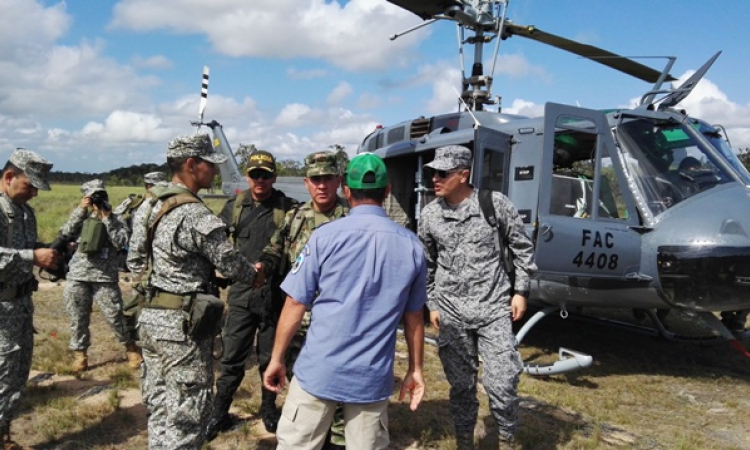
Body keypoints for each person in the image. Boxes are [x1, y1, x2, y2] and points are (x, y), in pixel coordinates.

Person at [263, 152, 427, 450]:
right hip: (372, 376)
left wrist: (276, 359)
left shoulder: (324, 237)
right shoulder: (412, 246)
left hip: (319, 370)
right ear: (387, 191)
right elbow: (414, 317)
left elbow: (295, 304)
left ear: (346, 190)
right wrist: (416, 369)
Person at [129, 134, 258, 449]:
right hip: (181, 327)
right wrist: (254, 274)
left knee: (160, 406)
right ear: (191, 165)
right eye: (209, 166)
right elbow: (230, 263)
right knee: (187, 414)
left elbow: (134, 261)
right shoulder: (194, 212)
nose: (214, 173)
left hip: (149, 320)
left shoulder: (149, 204)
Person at [418, 145, 536, 450]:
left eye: (443, 173)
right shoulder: (430, 214)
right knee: (461, 387)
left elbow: (523, 249)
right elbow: (427, 265)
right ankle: (464, 443)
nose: (435, 179)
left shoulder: (494, 204)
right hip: (451, 314)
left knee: (502, 382)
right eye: (433, 173)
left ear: (463, 174)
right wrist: (432, 304)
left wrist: (520, 291)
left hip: (493, 308)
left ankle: (507, 439)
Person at [257, 150, 349, 449]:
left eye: (328, 179)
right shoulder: (295, 218)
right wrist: (263, 267)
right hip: (298, 323)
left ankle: (336, 440)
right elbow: (275, 249)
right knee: (306, 389)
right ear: (306, 182)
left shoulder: (350, 218)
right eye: (315, 180)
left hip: (337, 324)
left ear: (338, 181)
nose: (322, 186)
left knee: (338, 391)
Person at [206, 150, 298, 439]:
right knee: (232, 356)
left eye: (266, 174)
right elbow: (215, 243)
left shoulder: (288, 208)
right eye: (255, 174)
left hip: (275, 294)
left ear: (274, 176)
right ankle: (219, 413)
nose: (260, 180)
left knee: (270, 357)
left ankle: (269, 410)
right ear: (248, 176)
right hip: (242, 293)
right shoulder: (234, 206)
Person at [0, 149, 58, 449]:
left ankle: (3, 433)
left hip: (21, 305)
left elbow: (24, 247)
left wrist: (47, 251)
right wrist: (32, 256)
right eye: (30, 185)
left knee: (15, 375)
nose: (34, 193)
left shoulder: (23, 211)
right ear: (9, 177)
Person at [60, 179, 142, 372]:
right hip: (78, 275)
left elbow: (121, 242)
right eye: (93, 196)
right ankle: (80, 354)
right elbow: (66, 232)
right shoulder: (81, 217)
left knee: (116, 316)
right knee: (77, 317)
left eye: (101, 195)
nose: (98, 200)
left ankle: (131, 349)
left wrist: (107, 219)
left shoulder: (116, 219)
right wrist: (81, 210)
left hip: (104, 277)